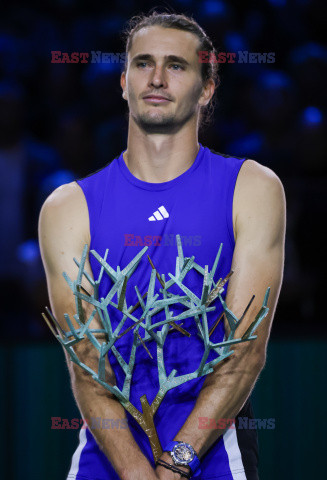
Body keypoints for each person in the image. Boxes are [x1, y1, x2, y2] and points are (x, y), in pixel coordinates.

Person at [38, 12, 286, 480]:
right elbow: (89, 369)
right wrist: (136, 472)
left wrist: (176, 463)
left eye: (176, 65)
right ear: (123, 82)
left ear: (207, 88)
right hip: (106, 460)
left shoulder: (251, 187)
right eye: (143, 63)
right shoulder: (67, 207)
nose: (156, 78)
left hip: (214, 457)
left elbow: (244, 353)